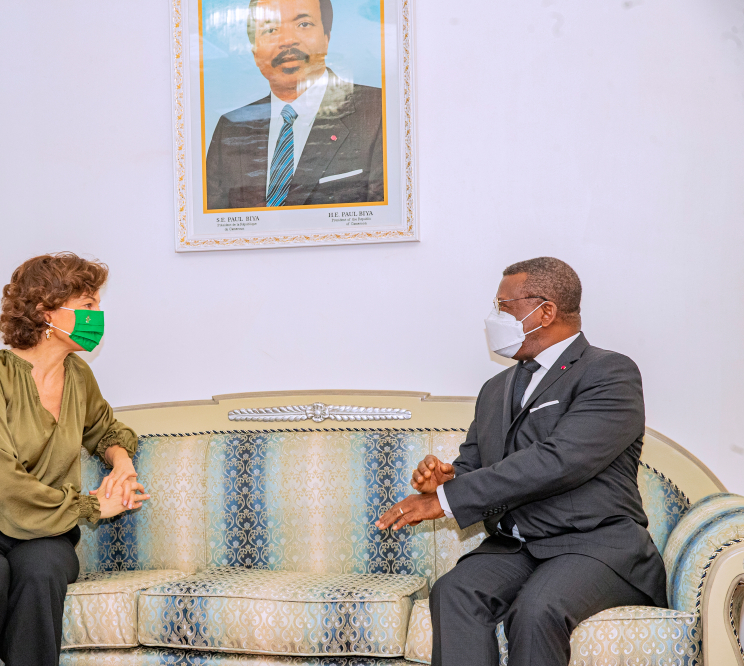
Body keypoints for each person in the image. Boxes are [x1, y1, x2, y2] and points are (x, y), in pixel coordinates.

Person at [375, 257, 666, 666]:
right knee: (453, 591)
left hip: (594, 545)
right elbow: (475, 463)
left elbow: (560, 460)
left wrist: (448, 499)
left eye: (504, 308)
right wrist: (446, 478)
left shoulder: (609, 372)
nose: (495, 318)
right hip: (516, 547)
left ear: (545, 311)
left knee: (535, 609)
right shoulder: (496, 388)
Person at [0, 252, 149, 666]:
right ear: (45, 312)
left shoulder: (79, 376)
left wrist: (122, 464)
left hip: (46, 531)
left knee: (42, 574)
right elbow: (3, 485)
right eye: (87, 306)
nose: (97, 316)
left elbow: (106, 430)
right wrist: (95, 505)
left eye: (97, 305)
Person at [205, 0, 384, 210]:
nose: (287, 40)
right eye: (270, 29)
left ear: (327, 38)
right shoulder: (231, 126)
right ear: (254, 53)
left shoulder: (379, 110)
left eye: (304, 24)